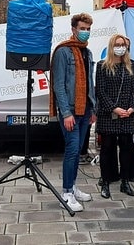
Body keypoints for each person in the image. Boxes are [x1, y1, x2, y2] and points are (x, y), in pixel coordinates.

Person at [49, 12, 96, 212]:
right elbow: (58, 84)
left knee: (78, 152)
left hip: (85, 110)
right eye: (82, 29)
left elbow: (90, 83)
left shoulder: (88, 52)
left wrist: (93, 109)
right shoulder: (63, 51)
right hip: (70, 110)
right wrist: (66, 113)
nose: (85, 32)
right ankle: (66, 192)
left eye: (88, 29)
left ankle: (73, 186)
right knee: (72, 150)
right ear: (73, 29)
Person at [95, 34, 134, 198]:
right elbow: (100, 91)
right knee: (107, 149)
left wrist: (132, 107)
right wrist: (114, 108)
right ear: (112, 46)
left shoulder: (130, 66)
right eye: (118, 44)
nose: (121, 47)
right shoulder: (102, 66)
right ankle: (106, 181)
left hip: (126, 116)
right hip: (109, 115)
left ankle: (125, 182)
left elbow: (133, 90)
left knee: (126, 148)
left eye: (123, 45)